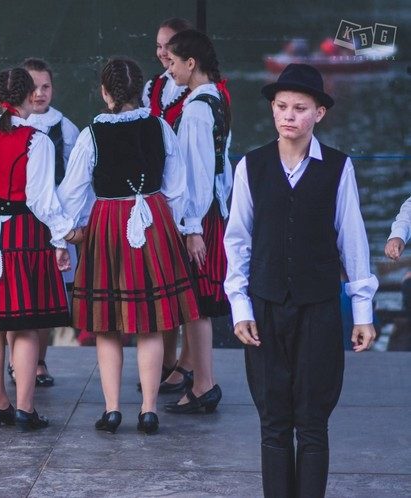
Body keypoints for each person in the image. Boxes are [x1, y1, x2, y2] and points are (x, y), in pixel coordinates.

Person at [223, 63, 377, 497]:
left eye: (300, 108)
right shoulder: (251, 166)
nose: (288, 115)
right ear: (272, 109)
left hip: (319, 307)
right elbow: (238, 241)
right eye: (281, 106)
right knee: (273, 421)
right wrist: (240, 306)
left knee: (312, 421)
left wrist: (362, 312)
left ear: (319, 114)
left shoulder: (338, 168)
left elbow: (353, 240)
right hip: (265, 305)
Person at [57, 58, 200, 434]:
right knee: (149, 322)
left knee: (107, 324)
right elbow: (177, 189)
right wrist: (169, 226)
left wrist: (67, 235)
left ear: (105, 92)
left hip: (107, 223)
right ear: (141, 92)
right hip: (154, 219)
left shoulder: (91, 134)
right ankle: (149, 410)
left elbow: (71, 194)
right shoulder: (160, 127)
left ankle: (112, 410)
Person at [0, 67, 77, 432]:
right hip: (24, 234)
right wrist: (61, 239)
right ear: (30, 97)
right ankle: (25, 408)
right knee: (25, 325)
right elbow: (42, 201)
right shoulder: (37, 141)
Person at [162, 29, 232, 415]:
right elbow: (223, 169)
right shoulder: (216, 99)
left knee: (196, 301)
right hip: (211, 212)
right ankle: (197, 378)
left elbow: (196, 174)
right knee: (197, 300)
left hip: (199, 218)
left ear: (191, 63)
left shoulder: (195, 111)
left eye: (173, 62)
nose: (169, 69)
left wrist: (192, 228)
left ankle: (204, 384)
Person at [3, 57, 81, 388]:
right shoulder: (4, 125)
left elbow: (75, 180)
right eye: (33, 87)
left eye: (45, 86)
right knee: (15, 295)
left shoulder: (66, 129)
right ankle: (15, 362)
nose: (39, 93)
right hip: (17, 223)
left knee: (49, 295)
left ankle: (38, 361)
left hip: (52, 225)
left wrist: (65, 228)